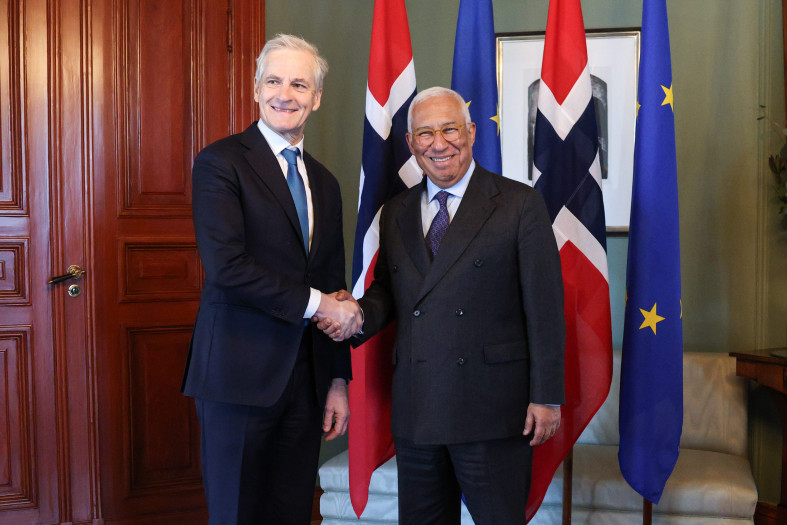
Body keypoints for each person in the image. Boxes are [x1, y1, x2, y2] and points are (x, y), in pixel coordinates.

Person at [320, 87, 565, 525]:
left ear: (471, 132)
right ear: (411, 143)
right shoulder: (395, 212)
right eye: (425, 133)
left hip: (493, 409)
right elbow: (389, 292)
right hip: (419, 407)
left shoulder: (518, 204)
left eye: (450, 129)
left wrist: (546, 397)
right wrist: (356, 313)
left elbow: (545, 308)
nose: (439, 143)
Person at [182, 34, 362, 525]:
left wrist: (338, 380)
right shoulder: (220, 163)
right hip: (236, 379)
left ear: (317, 98)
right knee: (238, 514)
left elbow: (331, 280)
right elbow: (228, 269)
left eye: (300, 83)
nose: (287, 93)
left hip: (305, 383)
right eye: (275, 81)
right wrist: (323, 306)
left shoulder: (324, 181)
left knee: (291, 513)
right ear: (256, 90)